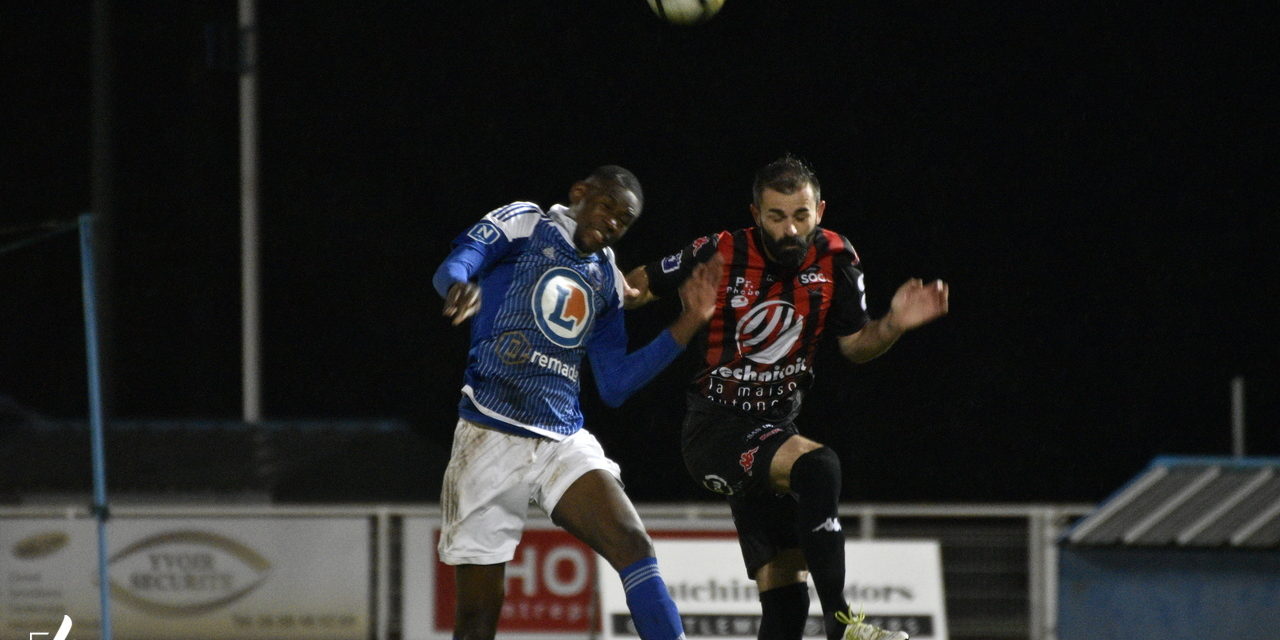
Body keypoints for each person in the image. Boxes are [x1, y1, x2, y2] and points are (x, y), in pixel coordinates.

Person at [624, 154, 949, 640]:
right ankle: (844, 625)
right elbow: (637, 286)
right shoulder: (721, 251)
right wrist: (590, 288)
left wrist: (893, 325)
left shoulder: (838, 259)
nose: (790, 229)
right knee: (820, 466)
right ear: (757, 215)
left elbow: (857, 346)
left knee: (786, 602)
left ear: (819, 210)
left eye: (801, 216)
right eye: (776, 217)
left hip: (772, 432)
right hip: (715, 430)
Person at [433, 165, 720, 640]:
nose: (612, 222)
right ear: (579, 194)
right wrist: (458, 284)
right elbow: (461, 259)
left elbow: (616, 384)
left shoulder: (606, 277)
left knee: (634, 545)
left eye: (623, 220)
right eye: (607, 206)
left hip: (559, 440)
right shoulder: (526, 222)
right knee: (478, 618)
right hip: (487, 436)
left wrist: (688, 323)